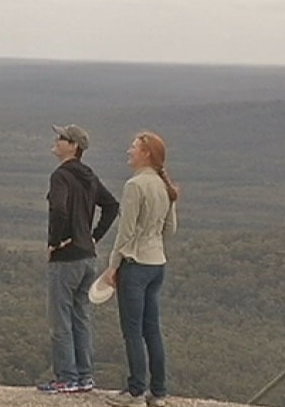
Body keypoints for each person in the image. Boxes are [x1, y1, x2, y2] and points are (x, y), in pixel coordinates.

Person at [38, 124, 119, 394]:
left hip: (66, 257)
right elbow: (111, 206)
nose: (56, 141)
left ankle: (66, 377)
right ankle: (84, 376)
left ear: (73, 146)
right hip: (87, 257)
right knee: (81, 317)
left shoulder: (60, 176)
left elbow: (59, 210)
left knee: (60, 319)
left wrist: (54, 242)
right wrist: (94, 236)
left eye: (61, 138)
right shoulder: (89, 176)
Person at [104, 132, 179, 407]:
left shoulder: (135, 186)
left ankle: (135, 391)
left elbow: (124, 234)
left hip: (135, 265)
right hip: (157, 263)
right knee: (152, 329)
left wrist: (113, 267)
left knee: (132, 330)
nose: (129, 151)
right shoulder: (163, 185)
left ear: (146, 153)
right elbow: (170, 229)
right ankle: (158, 391)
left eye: (134, 147)